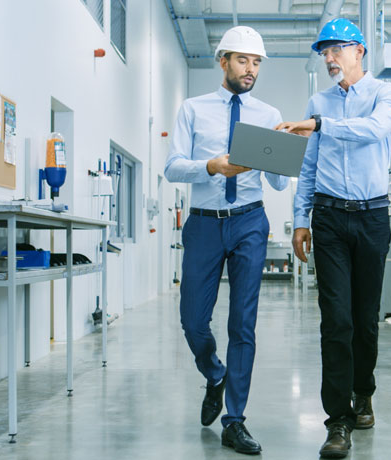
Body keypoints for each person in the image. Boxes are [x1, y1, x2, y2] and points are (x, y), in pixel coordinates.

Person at [276, 17, 391, 459]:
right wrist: (300, 218)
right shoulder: (319, 101)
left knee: (365, 320)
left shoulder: (384, 94)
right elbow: (309, 167)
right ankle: (338, 420)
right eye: (324, 52)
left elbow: (376, 131)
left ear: (359, 51)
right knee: (336, 321)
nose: (329, 58)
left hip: (372, 218)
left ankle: (363, 391)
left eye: (336, 49)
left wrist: (320, 125)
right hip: (328, 218)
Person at [164, 25, 289, 455]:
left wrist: (289, 151)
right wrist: (212, 167)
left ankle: (235, 420)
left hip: (251, 221)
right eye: (243, 60)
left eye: (256, 62)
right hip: (203, 223)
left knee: (243, 323)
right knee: (193, 320)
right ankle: (214, 373)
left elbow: (275, 182)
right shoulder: (193, 110)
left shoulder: (269, 114)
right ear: (223, 61)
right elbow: (172, 167)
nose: (251, 69)